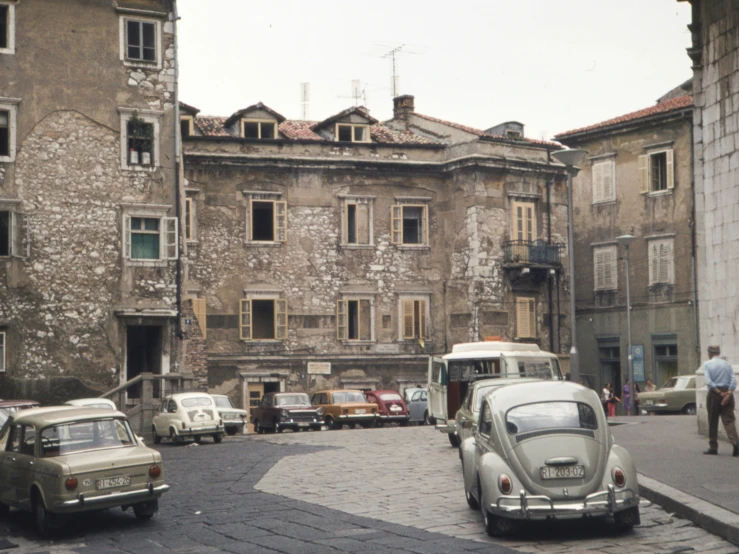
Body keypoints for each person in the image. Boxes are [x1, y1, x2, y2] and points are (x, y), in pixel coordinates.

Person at [702, 345, 739, 456]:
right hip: (727, 392)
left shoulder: (707, 364)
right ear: (718, 352)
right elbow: (733, 379)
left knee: (713, 420)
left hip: (715, 393)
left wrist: (719, 392)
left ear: (709, 353)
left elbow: (709, 381)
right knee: (729, 420)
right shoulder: (727, 364)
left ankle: (713, 447)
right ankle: (735, 443)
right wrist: (728, 393)